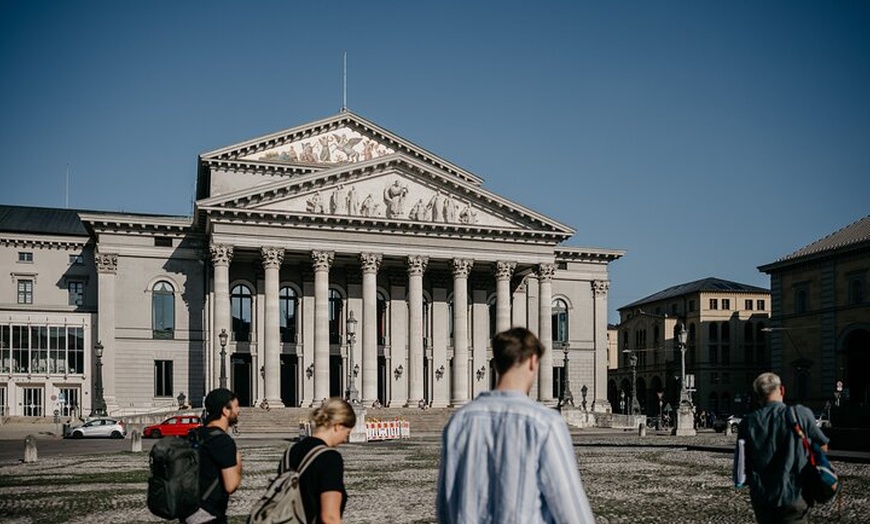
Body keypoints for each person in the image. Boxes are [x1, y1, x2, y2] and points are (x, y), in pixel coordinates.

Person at [436, 327, 595, 523]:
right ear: (532, 362)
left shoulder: (459, 421)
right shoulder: (545, 424)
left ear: (496, 364)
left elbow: (445, 505)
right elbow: (571, 511)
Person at [736, 372, 829, 524]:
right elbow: (822, 445)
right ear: (782, 390)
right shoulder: (801, 414)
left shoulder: (748, 423)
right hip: (796, 496)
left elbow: (742, 466)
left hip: (763, 499)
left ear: (758, 396)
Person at [279, 397, 356, 524]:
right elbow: (330, 517)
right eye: (347, 433)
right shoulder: (330, 458)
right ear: (338, 426)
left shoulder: (291, 452)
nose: (344, 440)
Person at [185, 388, 243, 524]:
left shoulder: (195, 434)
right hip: (208, 516)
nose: (239, 410)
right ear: (225, 410)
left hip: (188, 513)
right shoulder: (223, 441)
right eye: (236, 406)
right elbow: (231, 485)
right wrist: (238, 463)